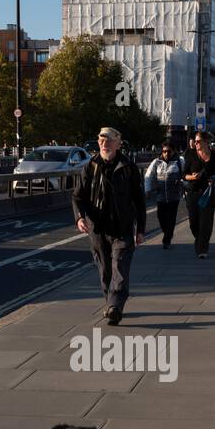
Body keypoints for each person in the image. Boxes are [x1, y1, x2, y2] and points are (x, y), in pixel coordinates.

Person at [72, 127, 146, 325]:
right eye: (101, 140)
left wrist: (140, 229)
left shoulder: (128, 167)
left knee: (120, 267)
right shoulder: (89, 167)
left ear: (118, 143)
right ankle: (111, 303)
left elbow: (139, 200)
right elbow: (78, 196)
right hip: (98, 228)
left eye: (109, 140)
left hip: (122, 227)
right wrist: (79, 218)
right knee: (104, 270)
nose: (104, 144)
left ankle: (115, 306)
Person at [182, 131, 215, 259]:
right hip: (193, 193)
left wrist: (214, 179)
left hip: (208, 192)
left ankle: (202, 248)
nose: (196, 143)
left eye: (198, 141)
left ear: (206, 142)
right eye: (195, 141)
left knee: (206, 222)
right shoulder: (190, 155)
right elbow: (184, 174)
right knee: (193, 222)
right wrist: (192, 177)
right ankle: (199, 239)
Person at [144, 140, 185, 248]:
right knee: (161, 217)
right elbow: (148, 176)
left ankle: (167, 238)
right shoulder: (156, 162)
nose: (166, 154)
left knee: (171, 219)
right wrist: (147, 189)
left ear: (173, 151)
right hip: (160, 196)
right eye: (164, 151)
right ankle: (166, 233)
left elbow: (186, 175)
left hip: (174, 196)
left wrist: (182, 182)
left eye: (169, 151)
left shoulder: (179, 162)